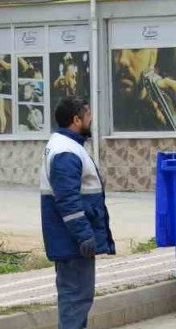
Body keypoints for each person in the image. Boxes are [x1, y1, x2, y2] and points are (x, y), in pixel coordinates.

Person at [41, 97, 116, 329]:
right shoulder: (66, 151)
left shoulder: (65, 145)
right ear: (76, 119)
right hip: (72, 242)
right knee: (76, 298)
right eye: (88, 115)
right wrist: (84, 235)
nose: (91, 119)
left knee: (76, 298)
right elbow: (68, 201)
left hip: (69, 239)